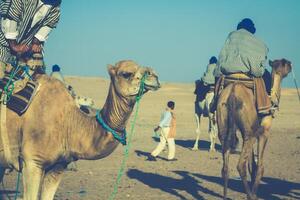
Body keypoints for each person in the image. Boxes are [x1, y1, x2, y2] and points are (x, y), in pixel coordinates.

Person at [212, 18, 272, 115]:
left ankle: (214, 103)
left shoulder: (231, 36)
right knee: (267, 76)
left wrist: (217, 72)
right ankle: (265, 106)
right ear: (252, 30)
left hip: (228, 75)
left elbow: (222, 57)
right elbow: (258, 71)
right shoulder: (258, 43)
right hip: (247, 76)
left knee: (217, 79)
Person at [0, 0, 61, 78]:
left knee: (36, 78)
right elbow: (10, 16)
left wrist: (36, 42)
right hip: (3, 43)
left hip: (26, 49)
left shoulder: (55, 8)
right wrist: (14, 45)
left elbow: (49, 24)